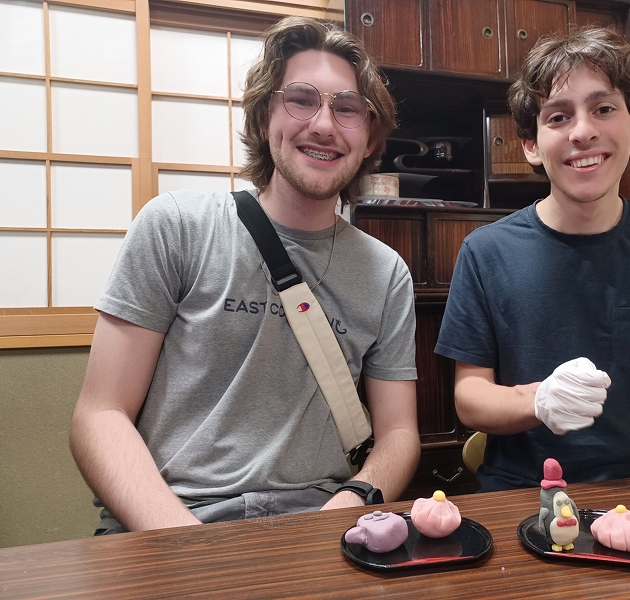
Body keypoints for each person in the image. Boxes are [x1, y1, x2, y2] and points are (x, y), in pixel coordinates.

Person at [70, 16, 420, 533]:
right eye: (301, 99)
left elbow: (399, 435)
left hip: (316, 522)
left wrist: (348, 508)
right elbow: (100, 415)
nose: (324, 125)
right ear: (262, 118)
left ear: (370, 138)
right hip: (173, 518)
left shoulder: (386, 273)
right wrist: (187, 542)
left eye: (347, 109)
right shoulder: (177, 227)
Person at [434, 27, 630, 492]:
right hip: (522, 493)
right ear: (531, 145)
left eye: (604, 109)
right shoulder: (485, 251)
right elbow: (469, 396)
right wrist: (538, 400)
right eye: (559, 117)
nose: (583, 132)